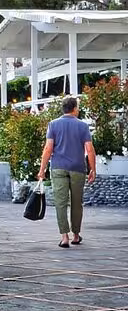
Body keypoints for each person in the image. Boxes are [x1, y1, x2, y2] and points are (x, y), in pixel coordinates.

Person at [38, 96, 96, 249]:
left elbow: (48, 148)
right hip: (78, 168)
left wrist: (42, 169)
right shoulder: (82, 126)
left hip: (58, 168)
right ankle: (76, 235)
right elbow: (89, 149)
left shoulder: (53, 124)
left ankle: (64, 237)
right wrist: (93, 169)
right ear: (75, 108)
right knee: (77, 203)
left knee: (60, 203)